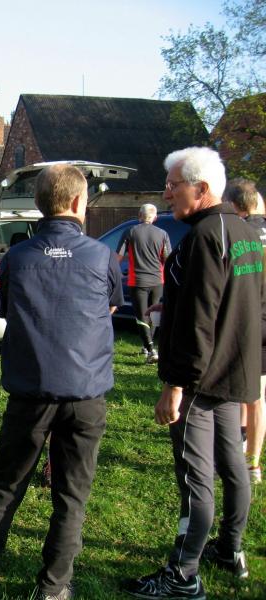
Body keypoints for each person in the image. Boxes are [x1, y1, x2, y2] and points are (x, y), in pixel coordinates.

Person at [0, 164, 122, 600]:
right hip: (84, 390)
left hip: (32, 388)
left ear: (38, 204)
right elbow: (109, 308)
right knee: (71, 495)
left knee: (7, 484)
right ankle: (53, 586)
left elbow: (8, 311)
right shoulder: (100, 255)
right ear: (79, 203)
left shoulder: (17, 257)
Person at [124, 148, 263, 599]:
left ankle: (183, 575)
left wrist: (175, 386)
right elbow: (247, 306)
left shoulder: (206, 236)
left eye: (173, 185)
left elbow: (200, 319)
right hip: (232, 372)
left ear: (201, 189)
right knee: (234, 466)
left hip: (201, 379)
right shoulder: (245, 231)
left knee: (196, 479)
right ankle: (230, 548)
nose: (166, 194)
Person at [223, 177, 266, 485]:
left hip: (248, 320)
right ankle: (252, 460)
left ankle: (246, 458)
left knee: (246, 393)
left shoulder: (238, 233)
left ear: (233, 204)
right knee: (258, 396)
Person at [116, 203, 171, 364]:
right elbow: (167, 258)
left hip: (137, 281)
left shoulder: (130, 232)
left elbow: (118, 256)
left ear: (139, 215)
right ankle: (148, 347)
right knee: (153, 315)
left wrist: (114, 272)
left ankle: (151, 350)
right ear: (155, 217)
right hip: (157, 281)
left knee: (141, 316)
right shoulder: (163, 234)